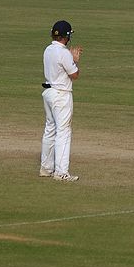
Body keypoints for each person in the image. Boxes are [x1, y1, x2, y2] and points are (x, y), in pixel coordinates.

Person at [40, 20, 83, 182]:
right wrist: (74, 60)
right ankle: (61, 172)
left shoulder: (48, 50)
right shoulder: (63, 53)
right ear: (66, 36)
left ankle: (46, 167)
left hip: (49, 93)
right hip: (61, 94)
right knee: (63, 133)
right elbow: (74, 75)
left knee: (50, 130)